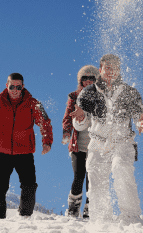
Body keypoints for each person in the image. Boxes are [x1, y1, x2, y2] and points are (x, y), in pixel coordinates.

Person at [76, 54, 143, 224]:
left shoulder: (129, 92)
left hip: (122, 142)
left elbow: (142, 116)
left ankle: (130, 216)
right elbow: (80, 123)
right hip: (98, 142)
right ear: (100, 70)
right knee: (95, 174)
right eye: (107, 67)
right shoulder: (89, 92)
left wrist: (142, 122)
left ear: (119, 70)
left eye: (114, 68)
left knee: (120, 167)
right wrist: (79, 120)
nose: (111, 71)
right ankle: (101, 218)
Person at [0, 73, 53, 219]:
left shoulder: (33, 103)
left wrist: (47, 141)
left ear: (23, 87)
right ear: (7, 86)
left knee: (29, 186)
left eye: (18, 87)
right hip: (2, 152)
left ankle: (25, 218)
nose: (15, 90)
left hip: (25, 153)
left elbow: (45, 122)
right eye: (12, 87)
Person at [62, 65, 99, 218]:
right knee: (79, 176)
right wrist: (66, 132)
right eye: (85, 79)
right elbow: (67, 117)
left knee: (92, 178)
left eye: (92, 78)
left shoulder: (101, 97)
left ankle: (90, 207)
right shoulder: (74, 96)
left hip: (95, 146)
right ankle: (73, 207)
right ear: (80, 81)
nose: (88, 81)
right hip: (78, 146)